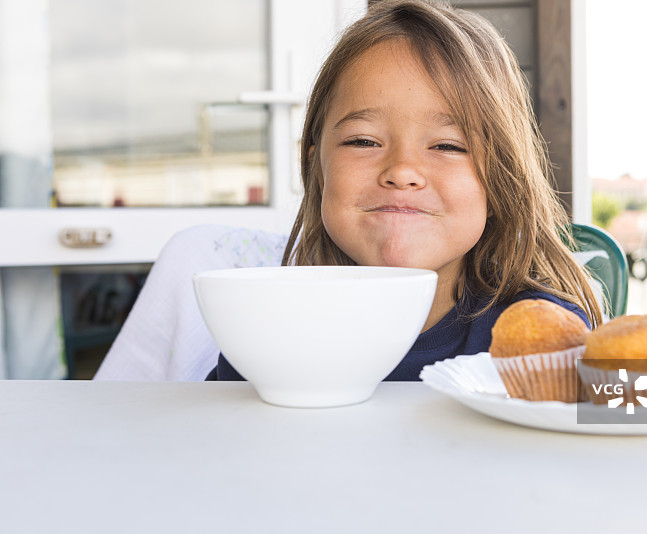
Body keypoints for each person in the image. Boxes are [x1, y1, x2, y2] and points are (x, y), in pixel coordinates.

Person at [207, 0, 601, 381]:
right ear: (317, 169)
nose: (402, 172)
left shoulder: (540, 334)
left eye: (448, 146)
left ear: (500, 182)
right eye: (362, 141)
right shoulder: (267, 334)